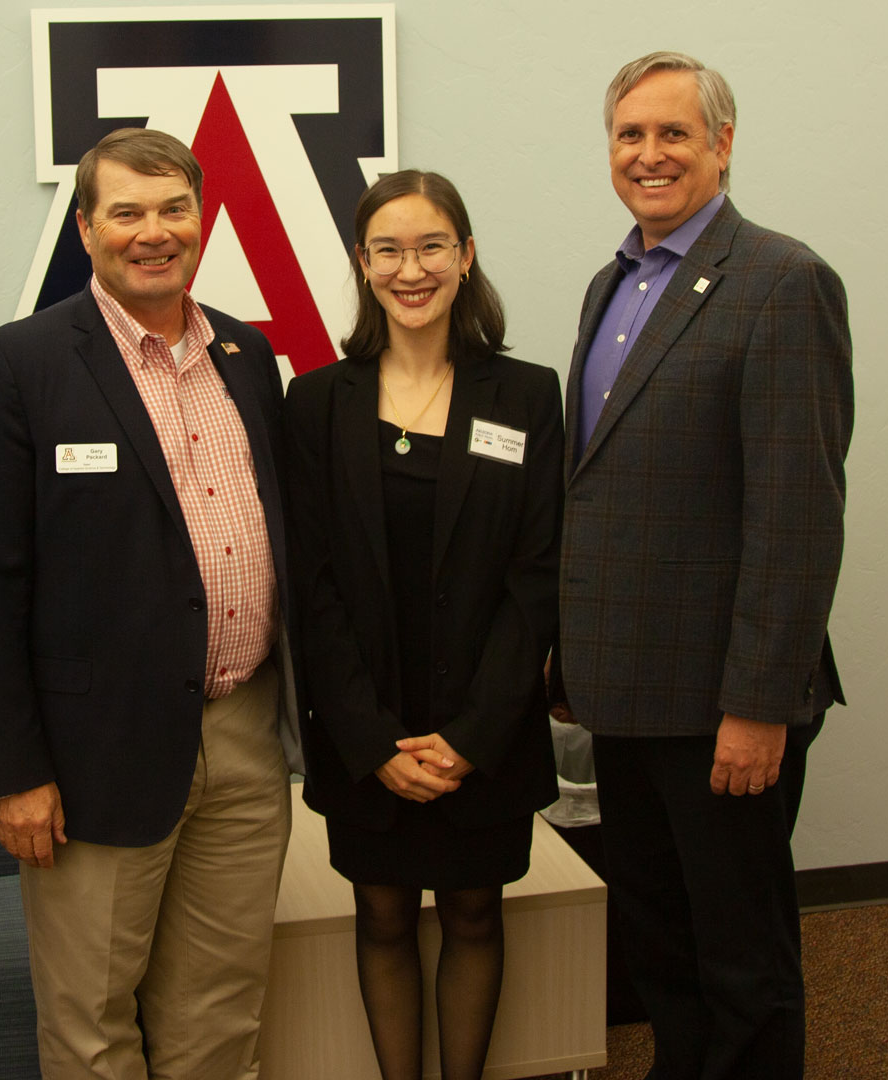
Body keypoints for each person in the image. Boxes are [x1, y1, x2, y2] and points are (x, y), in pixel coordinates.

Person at [0, 127, 298, 1080]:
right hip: (88, 754)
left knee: (221, 1010)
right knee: (93, 1022)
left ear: (202, 216)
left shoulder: (247, 354)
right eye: (128, 212)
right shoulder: (15, 366)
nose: (154, 232)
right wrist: (13, 770)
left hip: (242, 732)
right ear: (88, 227)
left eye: (173, 208)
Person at [556, 51, 853, 1079]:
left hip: (725, 702)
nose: (650, 155)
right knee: (659, 943)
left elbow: (798, 513)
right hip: (627, 695)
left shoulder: (781, 280)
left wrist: (760, 702)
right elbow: (599, 490)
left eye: (674, 133)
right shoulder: (612, 285)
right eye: (630, 136)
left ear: (722, 146)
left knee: (741, 959)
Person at [285, 170, 563, 1080]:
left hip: (482, 729)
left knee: (477, 912)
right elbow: (312, 588)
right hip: (369, 732)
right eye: (389, 250)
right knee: (383, 916)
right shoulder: (317, 401)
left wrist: (472, 738)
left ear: (466, 256)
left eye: (432, 246)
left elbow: (535, 579)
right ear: (363, 266)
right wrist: (370, 743)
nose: (413, 269)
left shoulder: (526, 395)